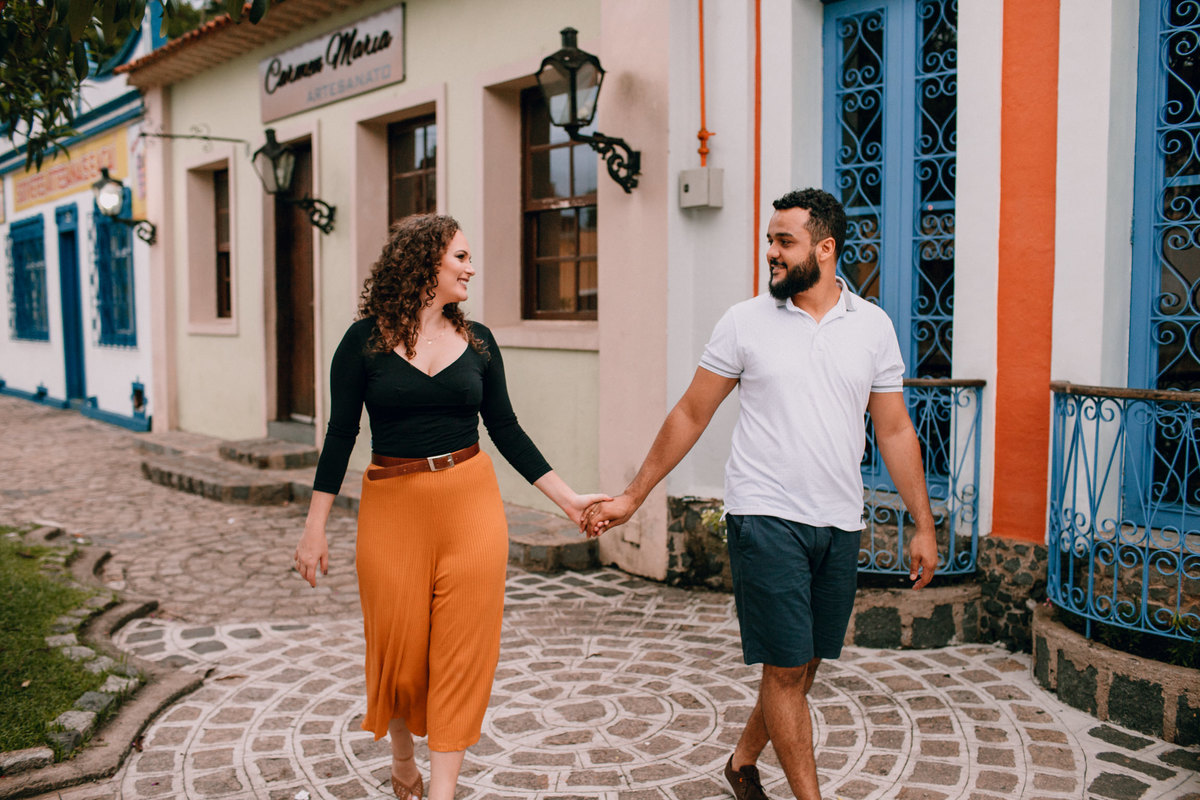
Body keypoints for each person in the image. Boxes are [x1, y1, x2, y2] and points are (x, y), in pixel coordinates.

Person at [582, 188, 939, 800]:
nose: (770, 252)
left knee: (803, 665)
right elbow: (691, 413)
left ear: (824, 249)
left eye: (784, 242)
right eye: (770, 240)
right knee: (784, 667)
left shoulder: (872, 326)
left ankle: (741, 762)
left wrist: (924, 525)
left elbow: (895, 428)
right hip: (764, 516)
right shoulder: (745, 321)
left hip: (838, 518)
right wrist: (633, 495)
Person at [293, 214, 607, 800]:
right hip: (392, 505)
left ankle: (441, 792)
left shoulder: (480, 342)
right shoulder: (362, 343)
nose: (470, 267)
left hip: (469, 501)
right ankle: (404, 759)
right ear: (423, 264)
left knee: (463, 650)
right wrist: (315, 530)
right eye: (459, 257)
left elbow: (506, 429)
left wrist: (568, 501)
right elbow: (339, 435)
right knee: (402, 654)